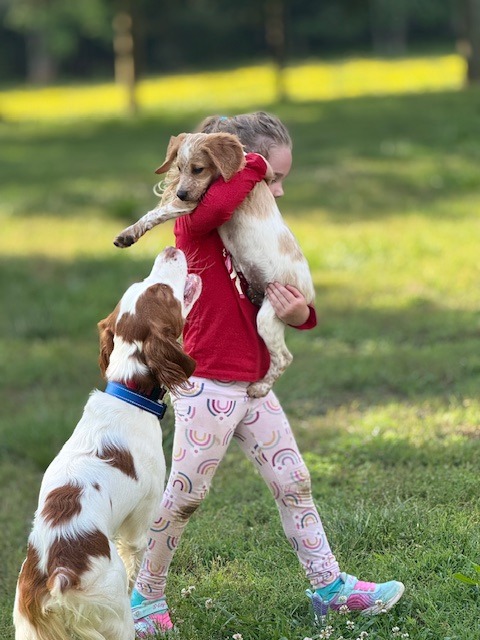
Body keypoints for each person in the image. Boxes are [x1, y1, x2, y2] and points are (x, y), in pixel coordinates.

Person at [130, 112, 404, 636]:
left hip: (254, 380)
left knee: (294, 482)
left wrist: (299, 313)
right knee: (185, 495)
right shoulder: (195, 219)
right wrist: (250, 166)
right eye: (270, 177)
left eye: (277, 179)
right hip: (208, 380)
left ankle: (329, 587)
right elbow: (216, 206)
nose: (276, 190)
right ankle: (145, 598)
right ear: (233, 171)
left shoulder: (253, 225)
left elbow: (292, 300)